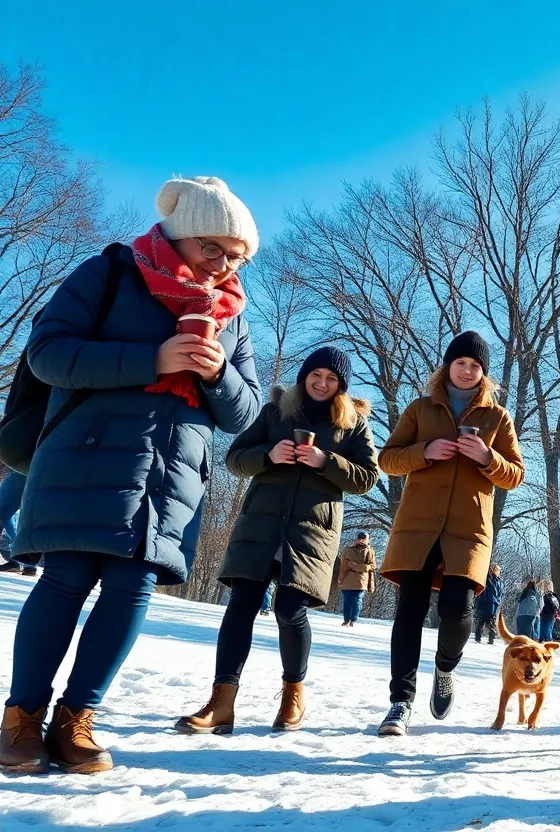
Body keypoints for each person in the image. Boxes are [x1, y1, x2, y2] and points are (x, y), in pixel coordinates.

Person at [0, 177, 261, 775]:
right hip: (84, 454)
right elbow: (48, 353)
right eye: (212, 248)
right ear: (178, 234)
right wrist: (153, 359)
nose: (223, 266)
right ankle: (21, 718)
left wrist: (217, 374)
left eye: (237, 257)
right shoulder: (111, 273)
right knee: (66, 577)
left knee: (131, 588)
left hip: (172, 473)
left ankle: (76, 719)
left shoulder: (232, 316)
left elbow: (244, 413)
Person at [176, 348, 378, 735]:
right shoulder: (275, 412)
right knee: (241, 605)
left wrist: (325, 461)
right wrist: (269, 455)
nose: (322, 383)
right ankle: (221, 703)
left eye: (331, 379)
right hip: (260, 525)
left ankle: (292, 696)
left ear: (341, 386)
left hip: (311, 532)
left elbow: (367, 478)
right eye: (315, 375)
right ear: (304, 377)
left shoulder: (352, 424)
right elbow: (235, 458)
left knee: (290, 609)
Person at [376, 331, 524, 736]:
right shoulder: (420, 409)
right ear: (448, 366)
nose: (467, 370)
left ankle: (445, 668)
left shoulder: (498, 417)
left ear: (484, 373)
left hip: (469, 528)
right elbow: (387, 459)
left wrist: (487, 457)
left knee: (458, 612)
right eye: (461, 363)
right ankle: (400, 702)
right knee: (409, 611)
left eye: (475, 366)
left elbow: (515, 475)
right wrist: (424, 452)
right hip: (418, 525)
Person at [339, 531, 378, 627]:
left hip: (349, 580)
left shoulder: (348, 550)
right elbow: (372, 566)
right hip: (361, 581)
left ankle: (347, 620)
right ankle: (352, 620)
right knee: (356, 600)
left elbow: (344, 566)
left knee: (348, 601)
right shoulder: (369, 550)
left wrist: (341, 579)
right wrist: (362, 567)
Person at [0, 467, 34, 576]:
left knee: (4, 510)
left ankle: (23, 560)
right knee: (16, 514)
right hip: (28, 468)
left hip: (21, 468)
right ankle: (24, 560)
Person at [473, 563, 503, 644]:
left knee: (489, 622)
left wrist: (497, 602)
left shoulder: (498, 581)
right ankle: (478, 638)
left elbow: (499, 593)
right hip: (485, 602)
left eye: (497, 570)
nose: (497, 572)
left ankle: (490, 639)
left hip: (491, 603)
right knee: (481, 621)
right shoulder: (489, 579)